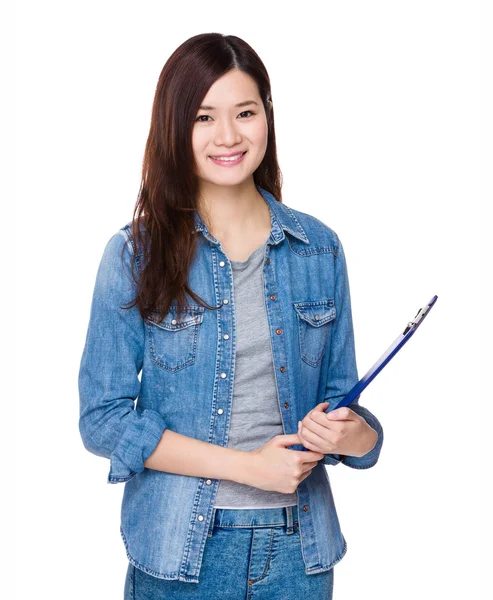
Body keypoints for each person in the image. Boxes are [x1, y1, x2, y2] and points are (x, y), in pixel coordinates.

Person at [78, 32, 384, 600]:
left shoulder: (318, 249)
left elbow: (348, 412)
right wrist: (249, 468)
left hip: (299, 552)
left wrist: (355, 433)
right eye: (203, 117)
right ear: (175, 127)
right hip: (180, 551)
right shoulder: (134, 255)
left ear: (267, 115)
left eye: (245, 112)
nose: (228, 136)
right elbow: (103, 419)